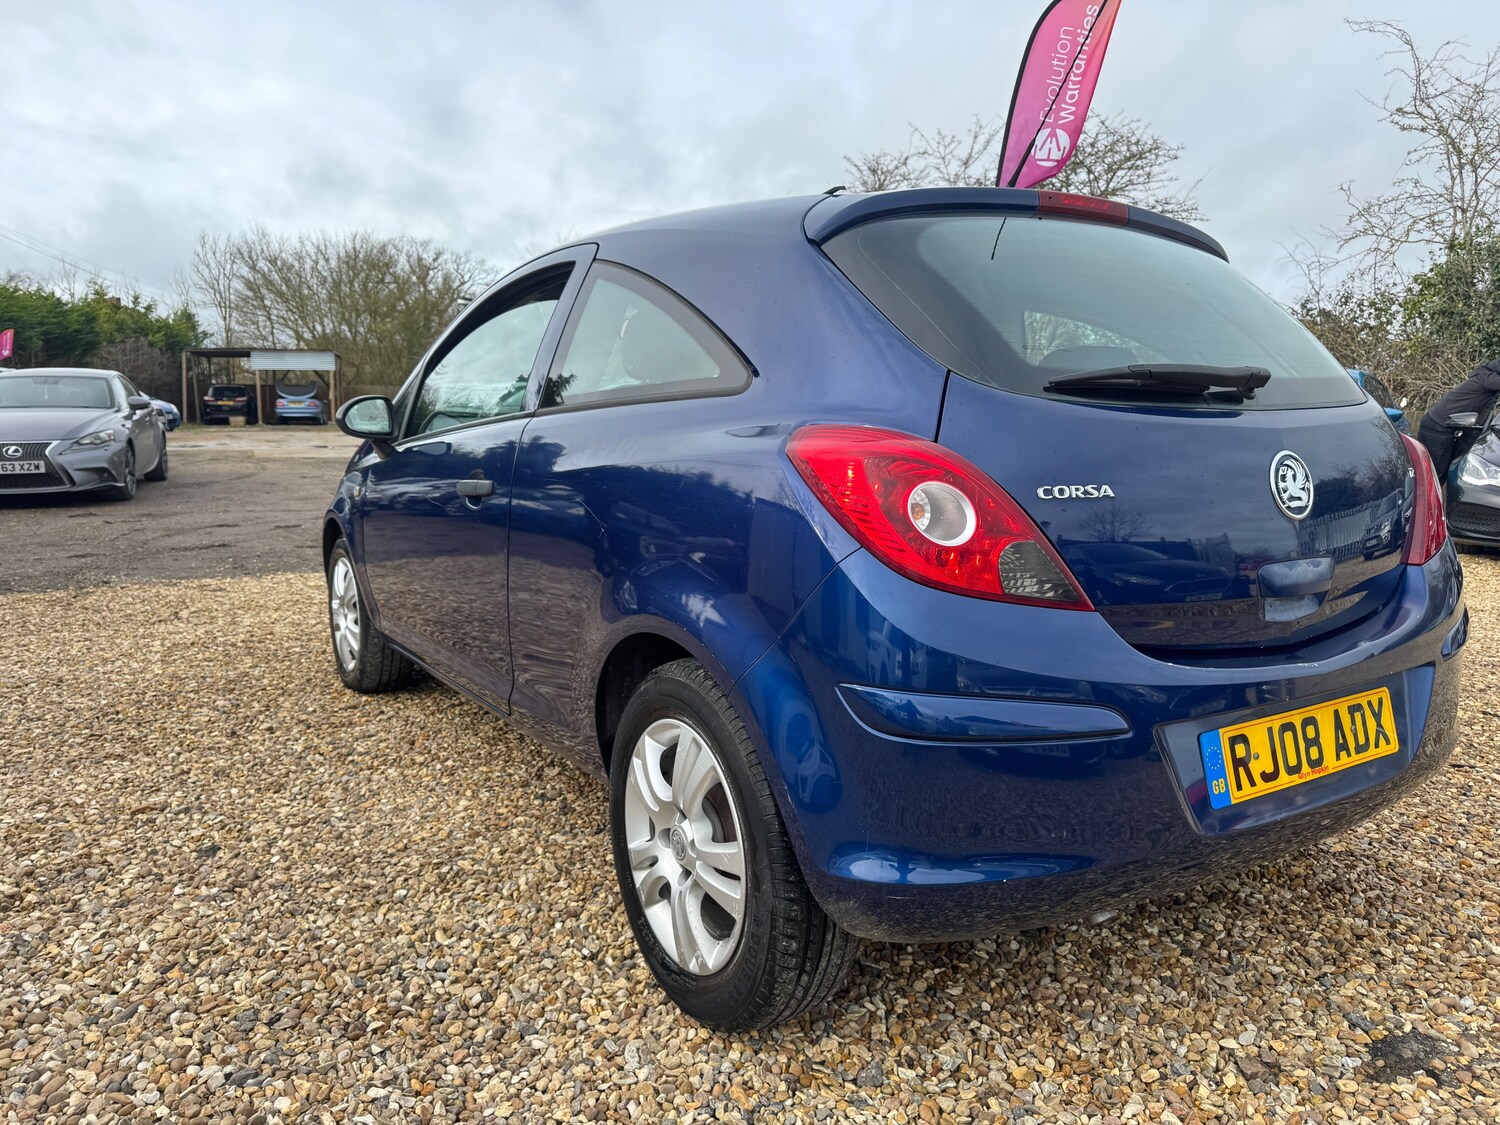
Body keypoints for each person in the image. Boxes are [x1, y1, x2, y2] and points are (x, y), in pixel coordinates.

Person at [1417, 357, 1500, 481]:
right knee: (1433, 478)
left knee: (1437, 476)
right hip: (1437, 428)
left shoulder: (1484, 375)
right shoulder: (1486, 378)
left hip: (1441, 425)